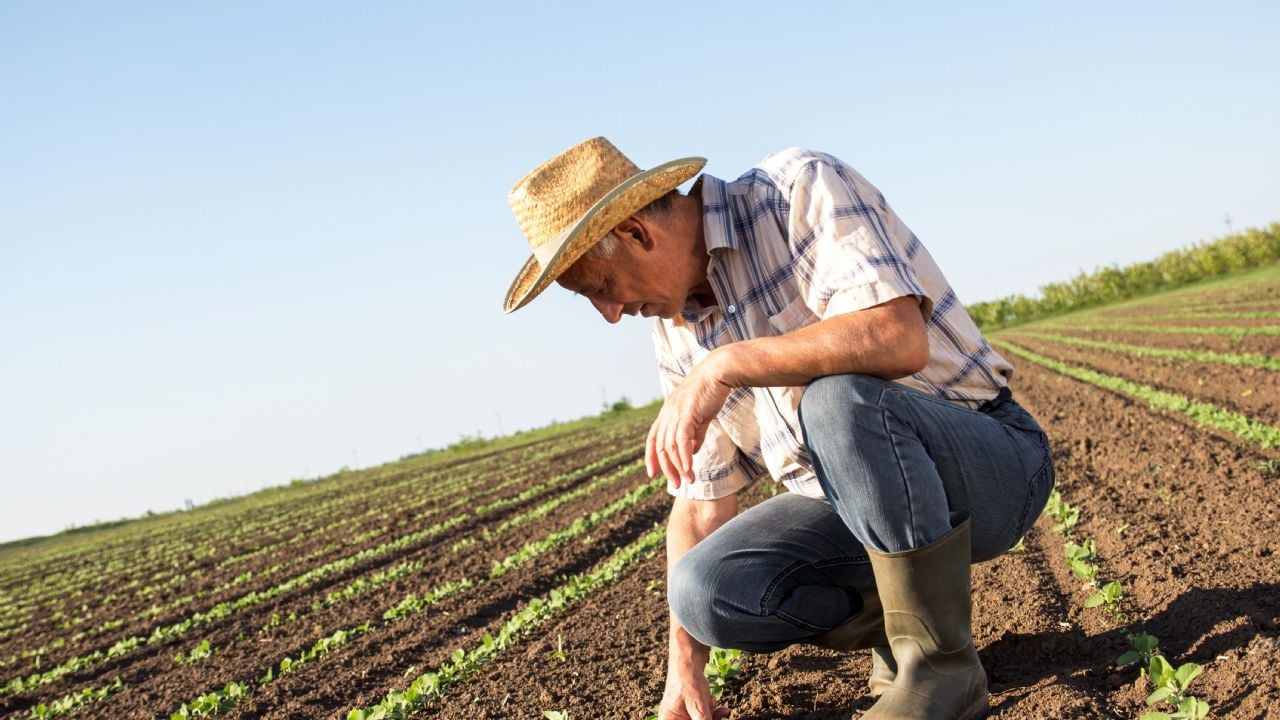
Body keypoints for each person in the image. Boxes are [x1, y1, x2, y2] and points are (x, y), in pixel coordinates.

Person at [502, 137, 1055, 720]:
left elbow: (897, 336)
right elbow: (698, 504)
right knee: (706, 590)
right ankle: (902, 630)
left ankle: (942, 670)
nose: (611, 314)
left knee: (837, 399)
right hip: (853, 511)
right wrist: (684, 674)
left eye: (601, 289)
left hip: (990, 465)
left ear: (638, 234)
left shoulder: (794, 192)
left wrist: (729, 363)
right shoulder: (675, 331)